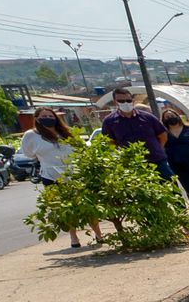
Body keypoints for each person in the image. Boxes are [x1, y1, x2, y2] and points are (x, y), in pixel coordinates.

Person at [20, 107, 94, 248]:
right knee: (64, 209)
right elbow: (28, 153)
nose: (48, 118)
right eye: (44, 116)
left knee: (87, 205)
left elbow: (80, 148)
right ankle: (74, 238)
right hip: (51, 176)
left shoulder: (66, 132)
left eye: (50, 115)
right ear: (36, 119)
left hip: (74, 174)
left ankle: (98, 234)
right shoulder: (31, 135)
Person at [100, 86, 169, 174]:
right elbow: (109, 142)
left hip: (157, 161)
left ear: (132, 100)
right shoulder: (109, 121)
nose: (126, 103)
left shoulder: (147, 117)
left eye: (128, 100)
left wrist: (158, 148)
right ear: (115, 102)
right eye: (121, 101)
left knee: (170, 184)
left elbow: (162, 135)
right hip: (132, 165)